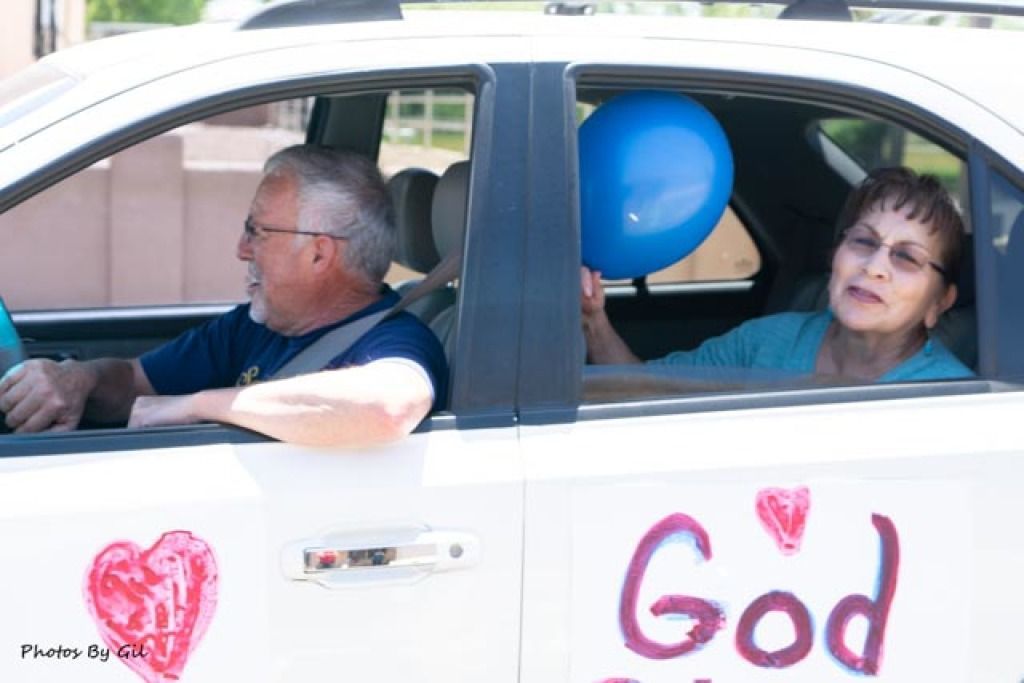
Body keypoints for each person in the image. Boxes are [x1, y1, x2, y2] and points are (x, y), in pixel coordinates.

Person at [0, 145, 448, 446]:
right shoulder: (253, 327)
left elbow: (388, 407)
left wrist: (199, 407)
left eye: (258, 231)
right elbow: (135, 384)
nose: (241, 249)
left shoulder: (396, 340)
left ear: (318, 254)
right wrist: (79, 379)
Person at [581, 166, 974, 382]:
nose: (874, 268)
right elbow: (643, 391)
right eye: (863, 242)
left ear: (938, 303)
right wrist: (593, 319)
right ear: (835, 254)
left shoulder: (951, 399)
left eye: (906, 258)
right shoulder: (766, 341)